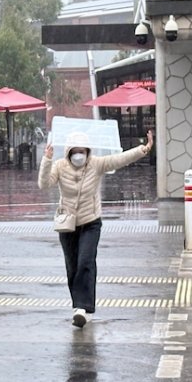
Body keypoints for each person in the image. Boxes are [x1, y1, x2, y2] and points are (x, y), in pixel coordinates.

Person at [37, 130, 154, 328]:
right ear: (68, 152)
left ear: (88, 151)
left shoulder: (96, 164)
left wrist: (143, 149)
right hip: (67, 225)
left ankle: (84, 308)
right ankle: (79, 307)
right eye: (75, 151)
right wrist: (47, 160)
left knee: (85, 261)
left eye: (82, 151)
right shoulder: (60, 166)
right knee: (72, 267)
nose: (78, 155)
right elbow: (44, 184)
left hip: (90, 222)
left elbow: (120, 159)